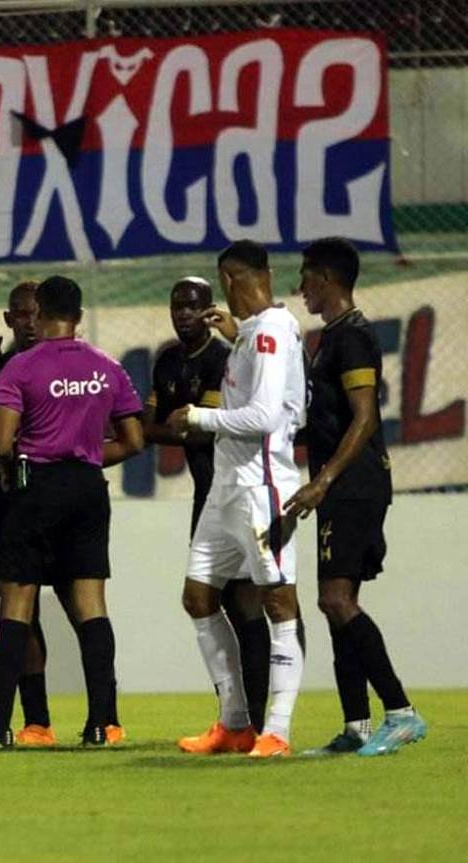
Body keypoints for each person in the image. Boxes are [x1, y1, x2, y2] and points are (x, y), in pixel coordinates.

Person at [0, 276, 144, 749]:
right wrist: (86, 456)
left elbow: (2, 444)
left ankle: (1, 729)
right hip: (88, 490)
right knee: (91, 606)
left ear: (42, 310)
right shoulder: (108, 368)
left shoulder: (20, 368)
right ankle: (101, 724)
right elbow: (134, 441)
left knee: (17, 606)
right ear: (78, 314)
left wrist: (13, 468)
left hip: (33, 488)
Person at [287, 237, 426, 757]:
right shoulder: (332, 337)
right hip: (343, 485)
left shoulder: (353, 337)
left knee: (336, 599)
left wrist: (323, 480)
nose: (301, 287)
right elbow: (328, 418)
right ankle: (357, 726)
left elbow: (365, 417)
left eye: (306, 277)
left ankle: (402, 713)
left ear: (326, 278)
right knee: (336, 602)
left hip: (354, 485)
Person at [168, 240, 306, 758]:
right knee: (198, 597)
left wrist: (197, 416)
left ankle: (278, 731)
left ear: (228, 279)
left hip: (261, 487)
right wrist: (236, 333)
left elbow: (265, 417)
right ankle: (234, 724)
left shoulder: (270, 332)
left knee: (278, 602)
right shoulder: (254, 332)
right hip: (226, 489)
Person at [143, 277, 271, 734]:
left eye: (192, 305)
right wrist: (179, 426)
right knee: (202, 599)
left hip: (239, 490)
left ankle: (259, 723)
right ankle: (236, 720)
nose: (182, 313)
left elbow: (204, 431)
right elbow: (148, 426)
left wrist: (181, 424)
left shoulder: (222, 358)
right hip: (207, 496)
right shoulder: (167, 361)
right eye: (176, 305)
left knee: (246, 605)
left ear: (209, 309)